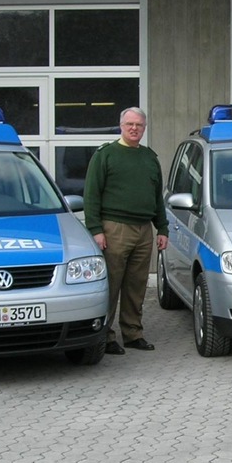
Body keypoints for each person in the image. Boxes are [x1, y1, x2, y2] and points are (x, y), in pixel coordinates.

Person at [83, 107, 169, 355]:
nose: (134, 129)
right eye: (130, 124)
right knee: (111, 284)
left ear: (144, 128)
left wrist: (161, 228)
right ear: (120, 126)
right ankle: (105, 336)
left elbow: (157, 198)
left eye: (139, 125)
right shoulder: (106, 155)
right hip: (114, 229)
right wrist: (96, 230)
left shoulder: (150, 158)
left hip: (144, 230)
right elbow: (91, 196)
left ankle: (133, 333)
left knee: (136, 285)